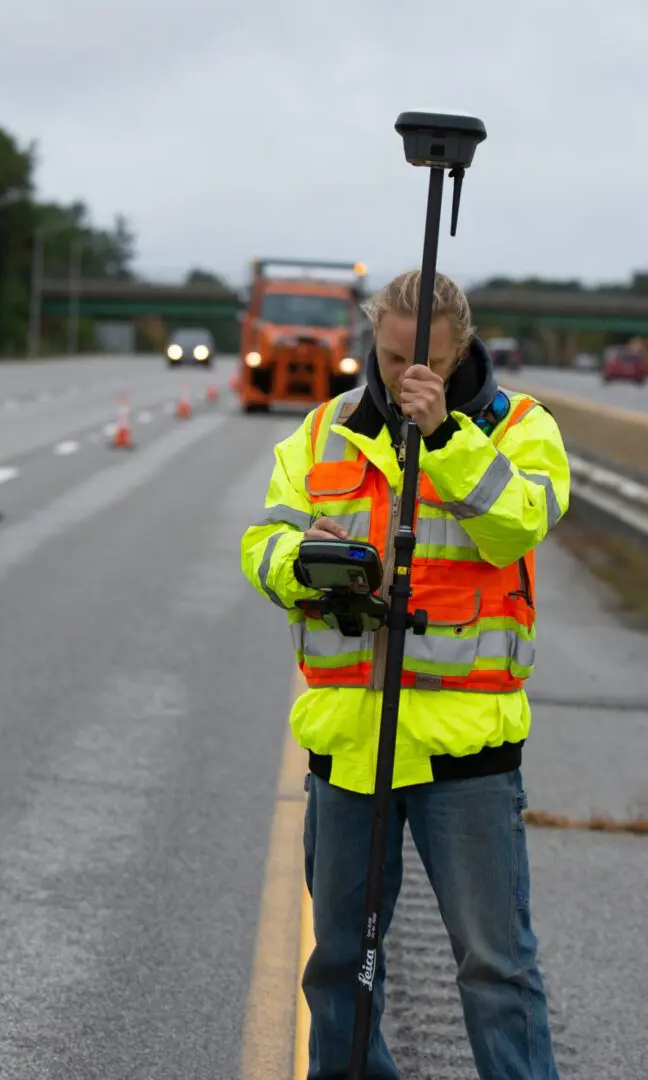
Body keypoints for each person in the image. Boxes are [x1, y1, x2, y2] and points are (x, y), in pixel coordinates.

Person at [241, 270, 570, 1080]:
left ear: (460, 346)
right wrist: (313, 563)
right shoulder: (326, 431)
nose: (402, 375)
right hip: (352, 748)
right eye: (389, 358)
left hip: (466, 753)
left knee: (496, 967)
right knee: (341, 964)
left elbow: (520, 523)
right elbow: (264, 545)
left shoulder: (520, 427)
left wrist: (449, 438)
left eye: (421, 360)